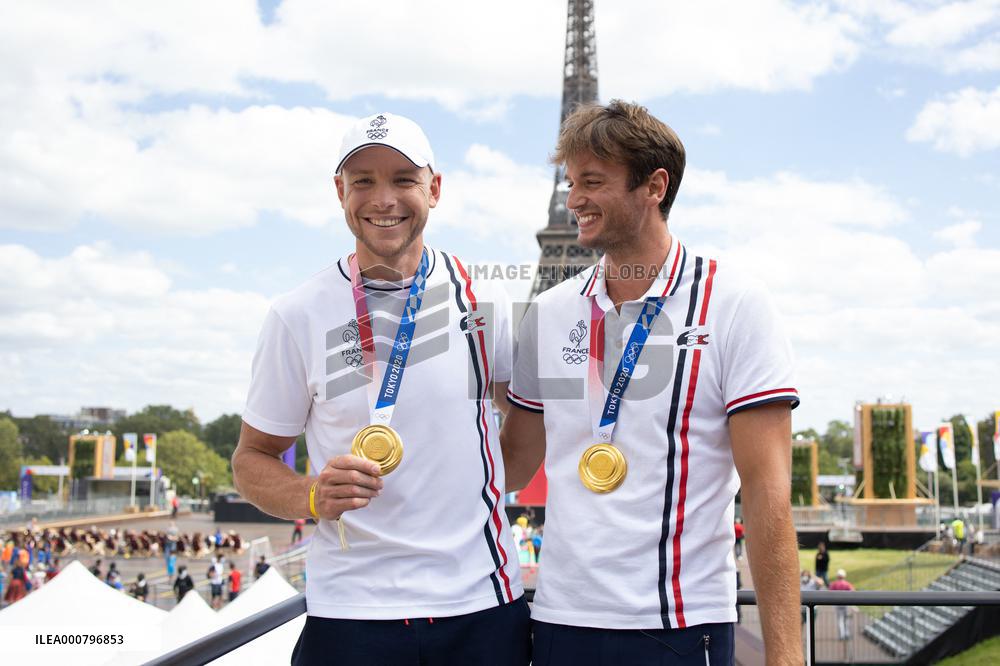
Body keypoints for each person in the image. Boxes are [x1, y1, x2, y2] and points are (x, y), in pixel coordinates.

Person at [501, 100, 801, 665]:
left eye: (593, 181)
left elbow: (767, 492)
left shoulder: (735, 304)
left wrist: (785, 657)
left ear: (654, 186)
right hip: (561, 621)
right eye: (570, 183)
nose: (574, 201)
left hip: (681, 627)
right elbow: (513, 464)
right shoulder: (549, 312)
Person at [232, 112, 528, 666]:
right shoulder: (295, 313)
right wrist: (311, 496)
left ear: (434, 189)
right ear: (339, 191)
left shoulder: (488, 298)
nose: (383, 198)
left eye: (403, 179)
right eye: (363, 180)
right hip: (351, 612)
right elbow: (252, 458)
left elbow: (531, 417)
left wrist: (481, 490)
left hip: (481, 605)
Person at [828, 569, 855, 640]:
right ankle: (846, 633)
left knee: (839, 620)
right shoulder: (847, 584)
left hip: (837, 603)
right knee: (846, 619)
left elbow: (830, 592)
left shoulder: (834, 584)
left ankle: (841, 635)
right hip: (846, 603)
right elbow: (853, 591)